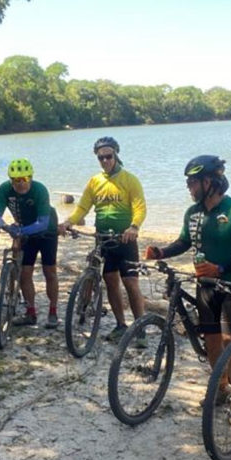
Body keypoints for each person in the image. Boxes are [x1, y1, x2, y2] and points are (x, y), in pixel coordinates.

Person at [144, 155, 231, 383]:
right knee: (212, 340)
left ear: (209, 183)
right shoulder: (192, 213)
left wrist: (220, 268)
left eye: (192, 182)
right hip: (205, 285)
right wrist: (161, 252)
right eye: (188, 183)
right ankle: (221, 387)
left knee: (230, 340)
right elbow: (184, 242)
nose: (189, 188)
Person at [57, 137, 147, 341]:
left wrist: (134, 226)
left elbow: (140, 207)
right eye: (101, 158)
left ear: (116, 154)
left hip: (125, 240)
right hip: (103, 239)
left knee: (131, 283)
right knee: (111, 281)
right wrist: (68, 222)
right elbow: (82, 208)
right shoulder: (94, 182)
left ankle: (140, 328)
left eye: (109, 156)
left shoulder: (129, 179)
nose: (105, 161)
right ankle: (121, 325)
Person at [0, 158, 61, 328]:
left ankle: (53, 311)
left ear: (30, 177)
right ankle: (31, 312)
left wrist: (20, 231)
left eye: (25, 179)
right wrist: (2, 224)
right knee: (24, 273)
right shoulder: (4, 189)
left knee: (49, 271)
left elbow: (43, 222)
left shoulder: (39, 190)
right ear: (10, 179)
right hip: (25, 232)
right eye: (16, 180)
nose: (21, 183)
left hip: (47, 232)